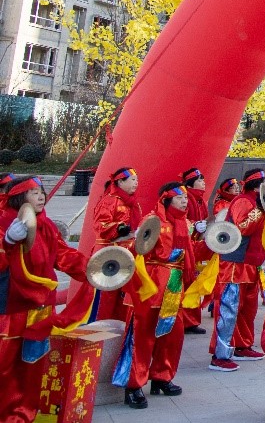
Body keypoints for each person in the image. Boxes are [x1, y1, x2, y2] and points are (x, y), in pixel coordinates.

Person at [1, 175, 91, 423]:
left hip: (40, 309)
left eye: (42, 192)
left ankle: (24, 416)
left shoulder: (46, 226)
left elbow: (62, 255)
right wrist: (7, 241)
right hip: (10, 309)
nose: (41, 196)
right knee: (5, 368)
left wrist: (91, 268)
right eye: (34, 193)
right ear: (19, 197)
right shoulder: (3, 223)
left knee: (33, 366)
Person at [112, 181, 202, 408]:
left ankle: (162, 376)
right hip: (152, 285)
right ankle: (133, 385)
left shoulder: (184, 224)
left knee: (172, 334)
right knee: (142, 336)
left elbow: (189, 255)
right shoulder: (153, 221)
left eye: (185, 198)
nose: (185, 201)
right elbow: (135, 249)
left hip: (174, 285)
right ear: (167, 200)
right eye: (180, 198)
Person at [209, 168, 265, 372]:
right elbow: (242, 227)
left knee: (247, 309)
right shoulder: (244, 201)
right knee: (230, 307)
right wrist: (259, 210)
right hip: (235, 262)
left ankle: (242, 345)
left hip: (251, 262)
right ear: (257, 185)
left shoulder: (257, 202)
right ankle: (220, 355)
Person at [90, 166, 143, 322]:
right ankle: (100, 328)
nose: (136, 183)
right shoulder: (109, 201)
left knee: (122, 295)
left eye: (137, 180)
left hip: (126, 254)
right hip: (108, 254)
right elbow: (100, 225)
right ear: (120, 182)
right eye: (133, 180)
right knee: (106, 296)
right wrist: (118, 228)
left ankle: (119, 327)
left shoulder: (132, 203)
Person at [181, 168, 210, 335]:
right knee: (186, 283)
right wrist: (193, 225)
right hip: (185, 245)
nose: (203, 183)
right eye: (199, 180)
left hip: (195, 245)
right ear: (190, 184)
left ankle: (191, 320)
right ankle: (185, 320)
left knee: (193, 282)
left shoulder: (200, 200)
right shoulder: (185, 198)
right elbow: (180, 220)